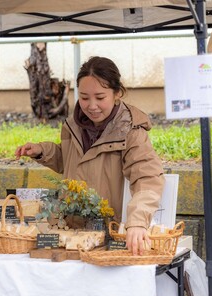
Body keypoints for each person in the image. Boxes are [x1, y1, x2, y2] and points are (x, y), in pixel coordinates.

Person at [15, 56, 165, 255]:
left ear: (117, 93)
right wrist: (43, 151)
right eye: (84, 97)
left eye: (100, 98)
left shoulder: (132, 132)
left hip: (109, 235)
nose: (92, 106)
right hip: (72, 234)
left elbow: (147, 178)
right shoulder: (72, 126)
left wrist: (137, 222)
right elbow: (69, 160)